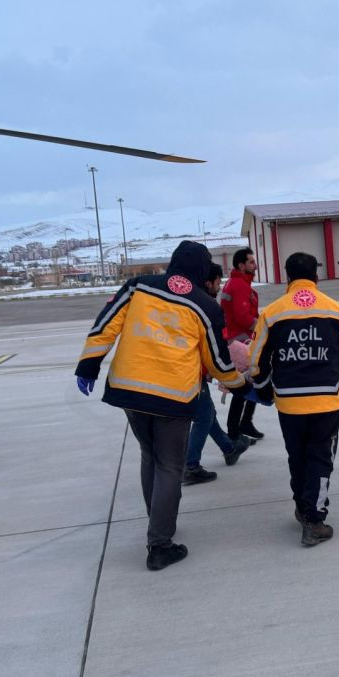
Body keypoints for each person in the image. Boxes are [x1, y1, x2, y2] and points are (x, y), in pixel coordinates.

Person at [75, 241, 245, 571]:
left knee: (149, 455)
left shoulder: (138, 286)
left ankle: (159, 521)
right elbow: (218, 362)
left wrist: (88, 365)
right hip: (173, 395)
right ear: (200, 269)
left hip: (130, 389)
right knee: (170, 464)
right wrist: (241, 385)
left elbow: (106, 324)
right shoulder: (204, 305)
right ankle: (160, 544)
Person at [250, 252, 339, 546]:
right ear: (316, 277)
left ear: (287, 277)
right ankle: (314, 519)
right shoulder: (335, 310)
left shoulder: (272, 313)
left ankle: (302, 506)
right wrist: (338, 384)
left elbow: (256, 358)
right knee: (321, 458)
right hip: (326, 403)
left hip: (289, 403)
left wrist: (265, 388)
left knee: (297, 457)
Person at [183, 263, 250, 484]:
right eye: (217, 282)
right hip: (189, 372)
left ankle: (229, 448)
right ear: (207, 282)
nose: (219, 287)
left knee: (207, 412)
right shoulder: (206, 307)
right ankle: (190, 466)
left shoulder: (187, 303)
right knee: (203, 417)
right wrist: (227, 375)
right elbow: (214, 347)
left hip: (191, 371)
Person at [222, 247, 265, 442]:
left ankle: (243, 423)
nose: (255, 266)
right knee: (243, 385)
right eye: (251, 262)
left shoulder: (237, 283)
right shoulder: (239, 285)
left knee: (248, 383)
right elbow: (243, 317)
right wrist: (263, 327)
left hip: (237, 338)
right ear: (241, 265)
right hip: (239, 340)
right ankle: (235, 430)